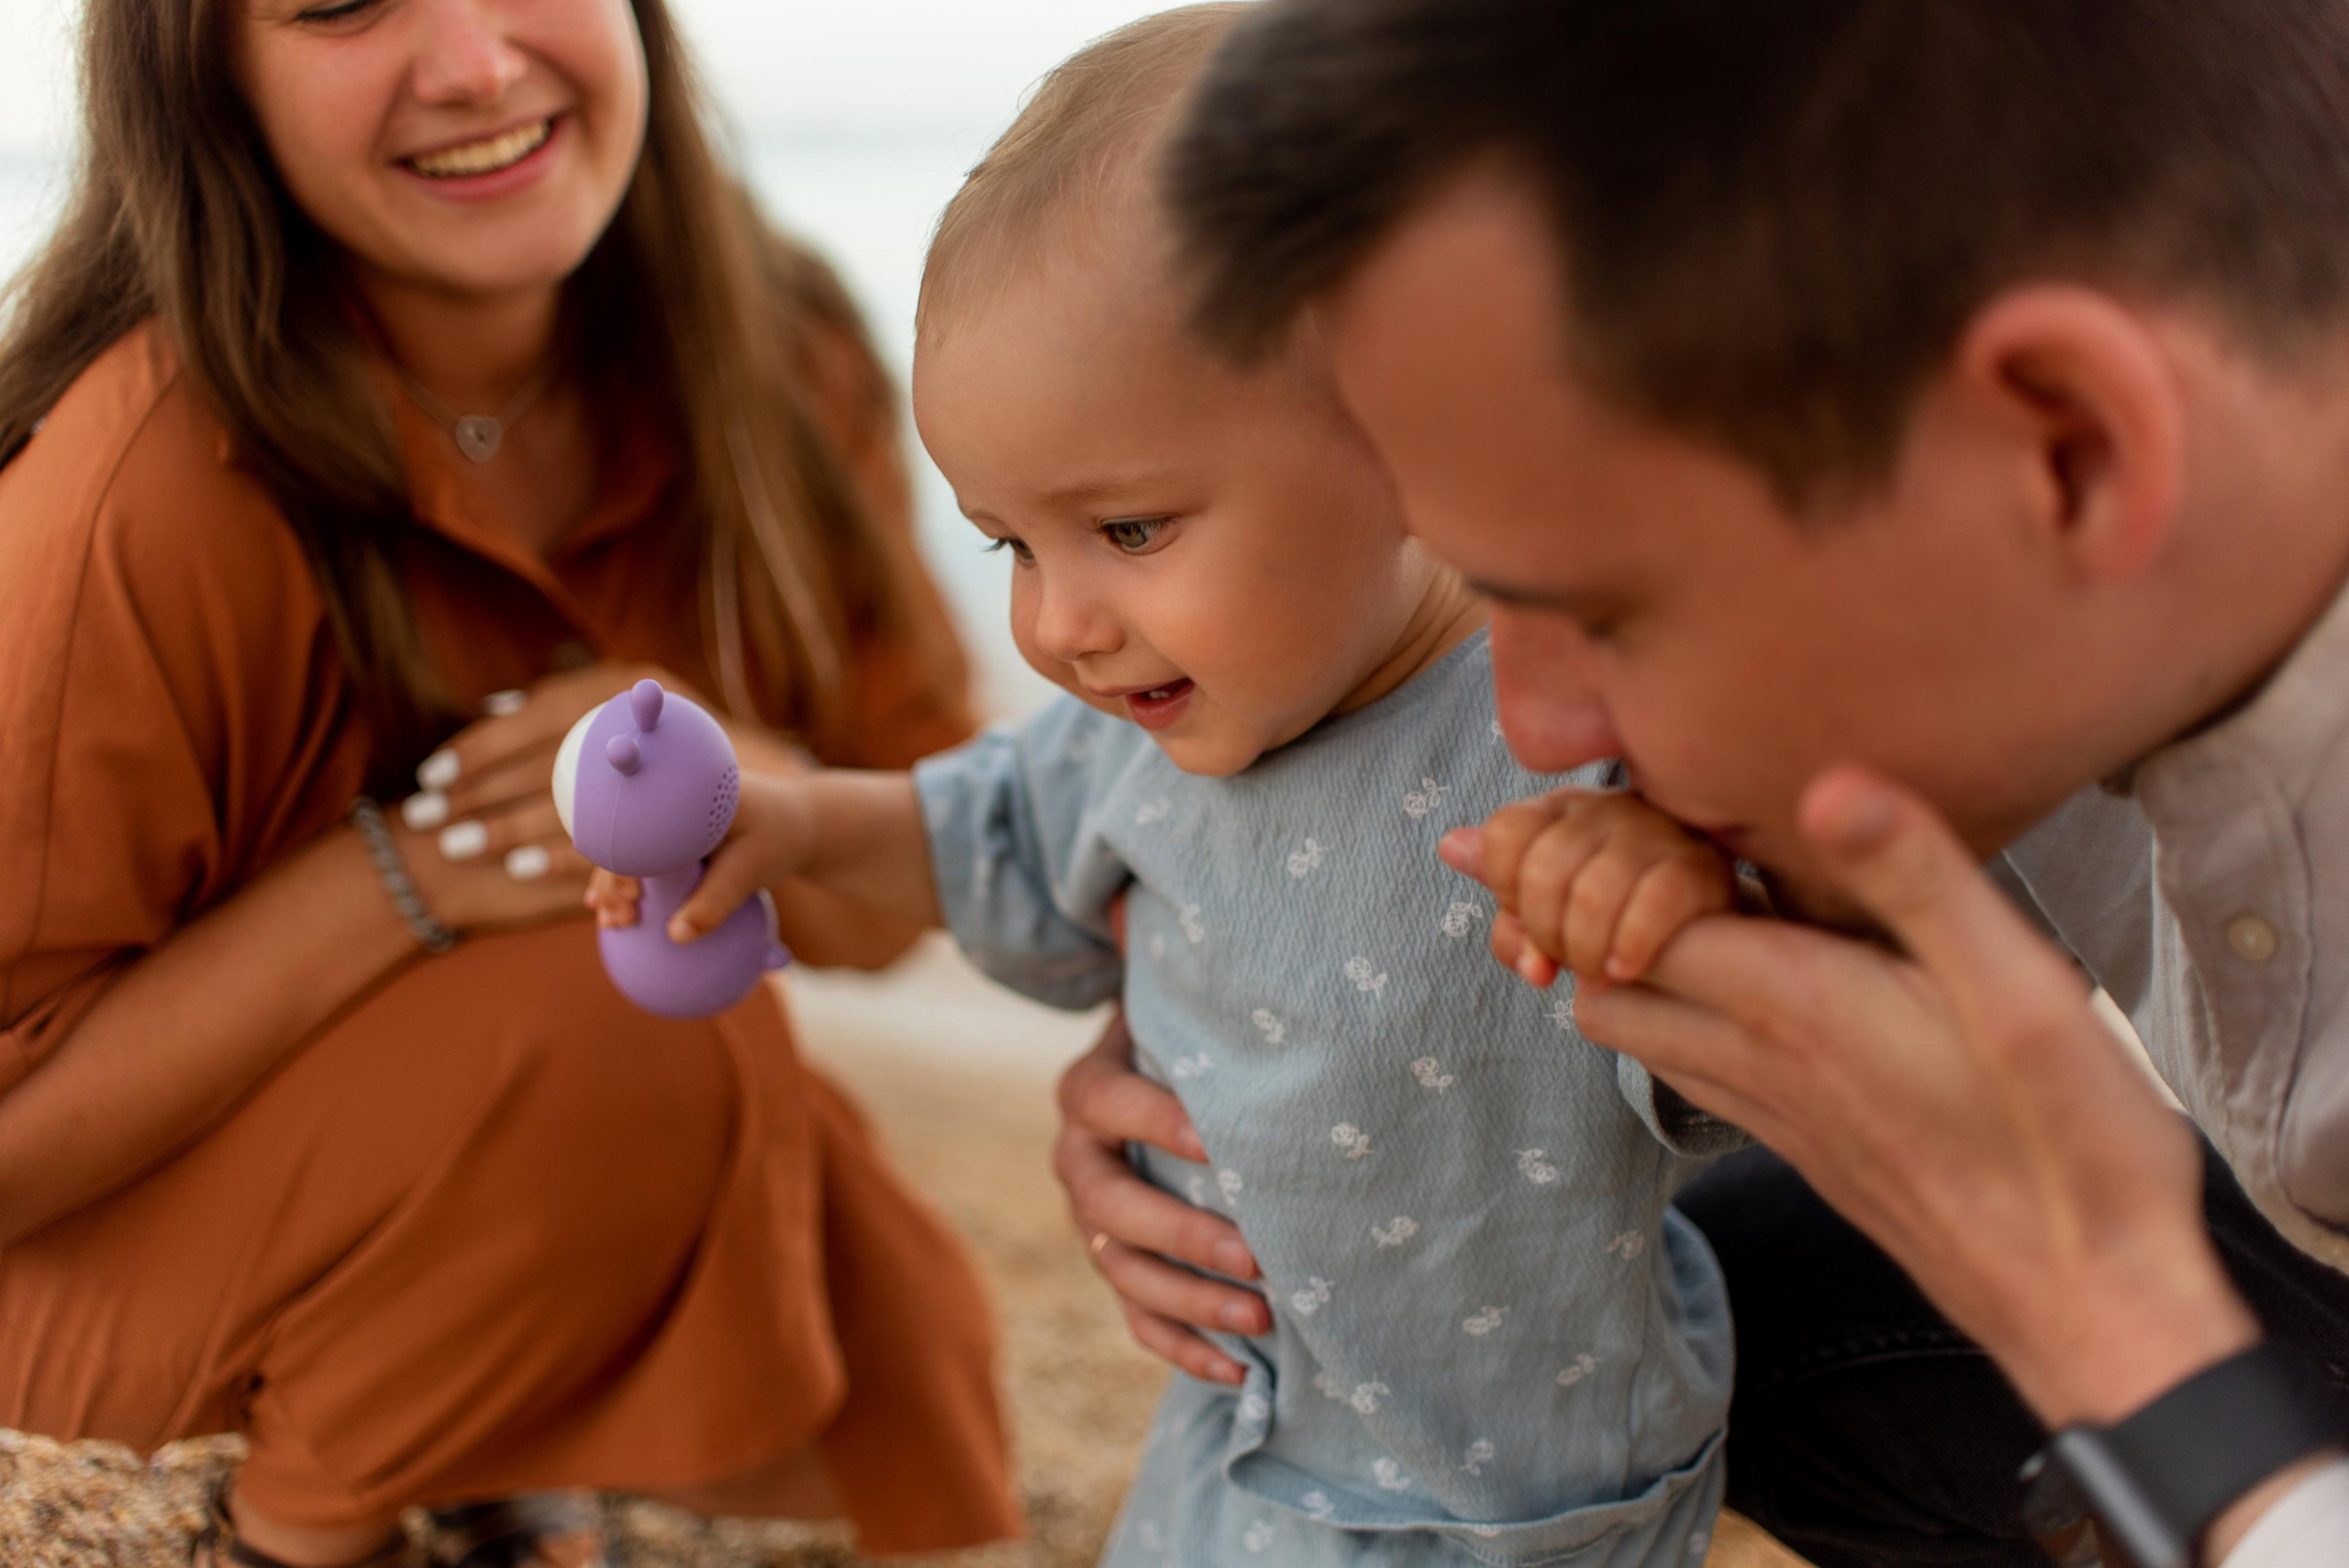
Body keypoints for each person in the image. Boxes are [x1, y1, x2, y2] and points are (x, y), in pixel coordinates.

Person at [1044, 2, 2349, 1565]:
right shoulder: (2070, 530)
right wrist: (1254, 1023)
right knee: (1763, 1285)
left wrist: (2117, 1335)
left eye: (1607, 612)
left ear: (2067, 451)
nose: (1531, 724)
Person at [592, 11, 1750, 1562]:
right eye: (1009, 542)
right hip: (1234, 1439)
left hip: (1517, 1504)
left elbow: (1790, 1022)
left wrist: (1678, 881)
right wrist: (789, 822)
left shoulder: (1576, 735)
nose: (1056, 625)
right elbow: (974, 829)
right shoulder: (1142, 729)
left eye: (1130, 530)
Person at [0, 2, 1019, 1565]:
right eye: (345, 1)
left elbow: (918, 898)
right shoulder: (135, 489)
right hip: (97, 1237)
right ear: (205, 71)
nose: (476, 63)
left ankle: (473, 1411)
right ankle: (297, 1524)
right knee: (623, 1015)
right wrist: (407, 873)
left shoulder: (776, 349)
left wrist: (750, 783)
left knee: (908, 1366)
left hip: (472, 1147)